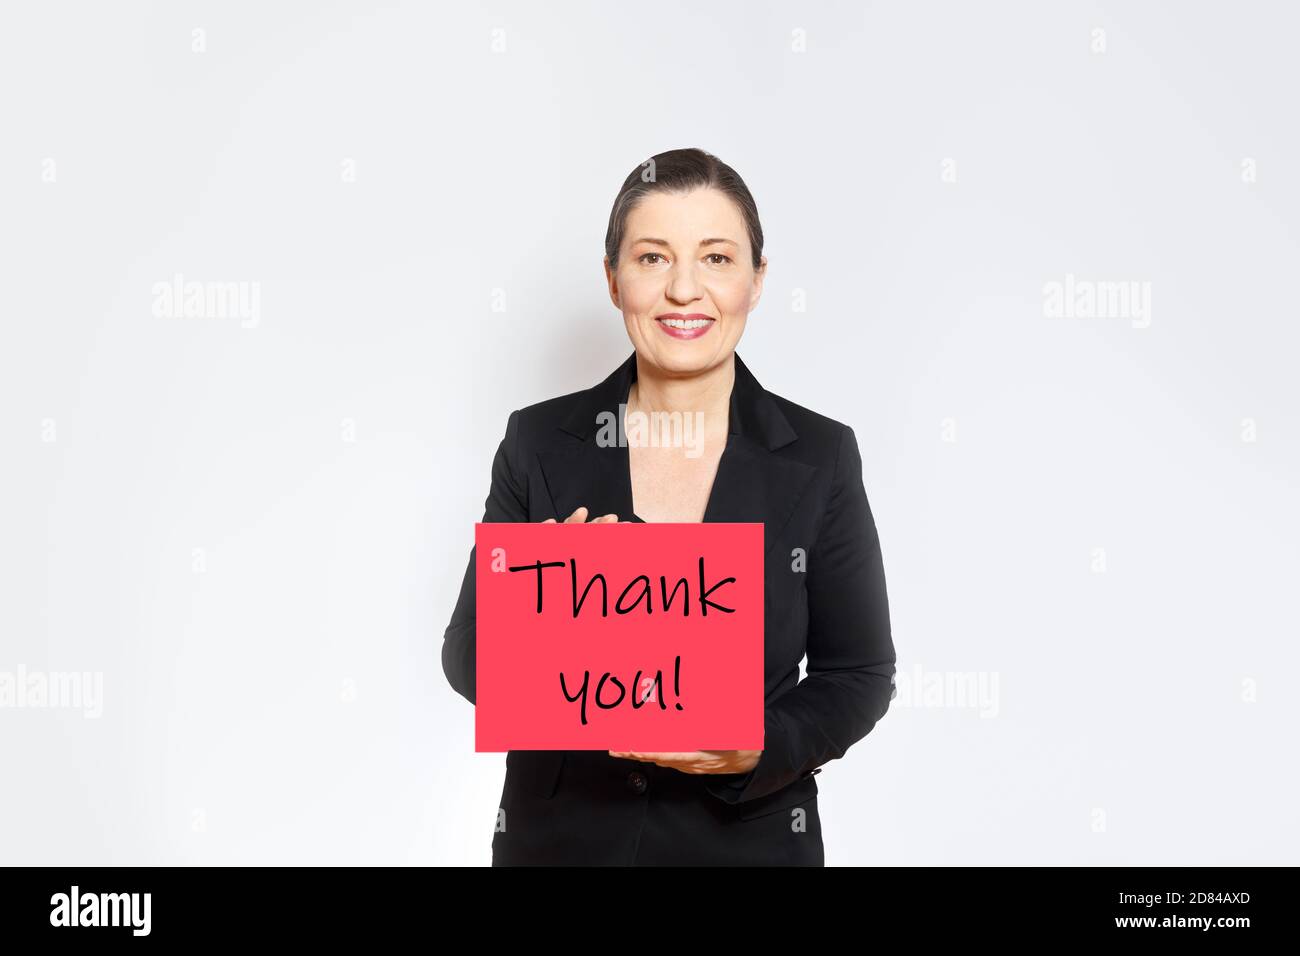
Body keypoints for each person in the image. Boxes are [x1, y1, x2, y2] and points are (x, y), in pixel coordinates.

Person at [442, 147, 896, 866]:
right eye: (653, 258)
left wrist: (759, 745)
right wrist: (542, 605)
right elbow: (465, 656)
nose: (685, 290)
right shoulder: (538, 442)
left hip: (746, 845)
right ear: (613, 279)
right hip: (561, 846)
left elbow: (859, 674)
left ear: (756, 279)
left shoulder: (821, 456)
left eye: (716, 258)